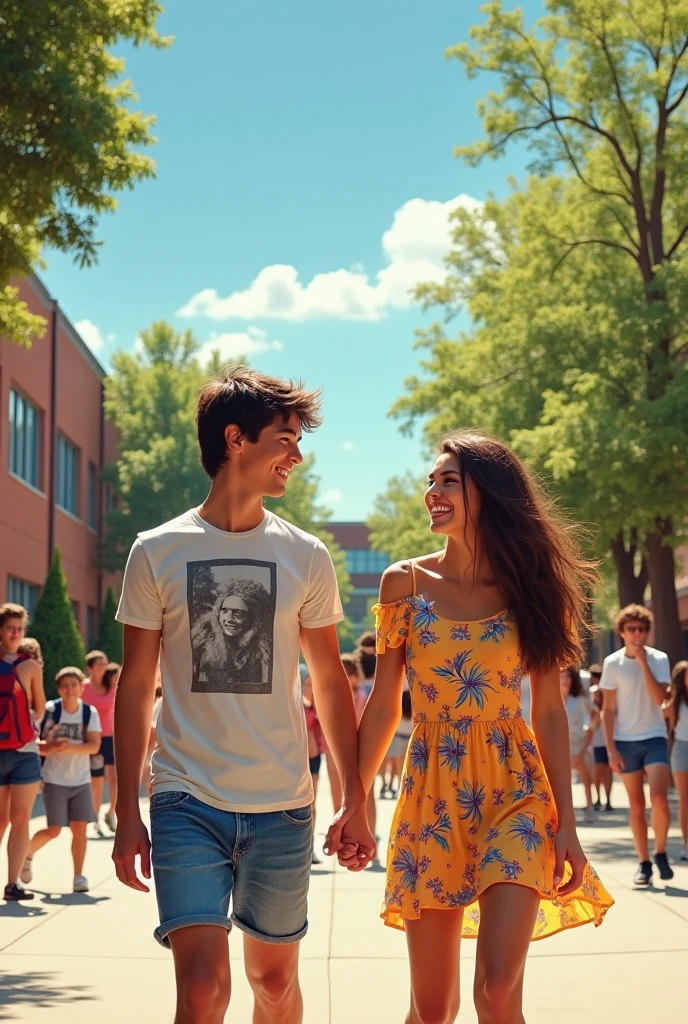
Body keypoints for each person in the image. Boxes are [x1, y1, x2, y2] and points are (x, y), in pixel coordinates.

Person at [112, 366, 373, 1024]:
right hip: (184, 799)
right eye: (285, 439)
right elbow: (137, 684)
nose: (297, 455)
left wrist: (355, 798)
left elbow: (329, 684)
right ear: (236, 439)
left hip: (281, 807)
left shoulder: (305, 555)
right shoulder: (156, 551)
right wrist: (126, 808)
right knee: (201, 989)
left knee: (275, 983)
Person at [354, 429, 613, 1024]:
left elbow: (547, 711)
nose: (432, 492)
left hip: (516, 795)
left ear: (488, 494)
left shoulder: (535, 589)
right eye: (431, 481)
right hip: (431, 794)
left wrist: (566, 825)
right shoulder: (405, 584)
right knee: (434, 1008)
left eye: (449, 480)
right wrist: (354, 800)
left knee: (497, 993)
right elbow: (386, 705)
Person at [601, 603, 673, 886]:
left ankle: (661, 852)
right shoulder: (612, 663)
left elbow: (660, 699)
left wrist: (643, 663)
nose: (637, 634)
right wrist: (610, 749)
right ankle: (644, 862)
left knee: (659, 798)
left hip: (654, 735)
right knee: (636, 804)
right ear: (622, 632)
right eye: (631, 629)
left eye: (641, 629)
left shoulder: (659, 659)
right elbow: (607, 709)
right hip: (624, 741)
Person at [21, 667, 102, 893]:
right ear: (58, 689)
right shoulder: (49, 711)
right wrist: (51, 746)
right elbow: (34, 745)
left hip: (81, 780)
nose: (69, 689)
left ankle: (79, 876)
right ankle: (26, 855)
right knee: (54, 829)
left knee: (79, 828)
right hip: (54, 779)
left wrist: (70, 748)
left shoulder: (89, 713)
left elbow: (94, 745)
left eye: (74, 685)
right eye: (65, 685)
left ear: (81, 687)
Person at [0, 603, 45, 901]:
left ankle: (12, 883)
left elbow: (39, 706)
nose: (16, 633)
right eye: (10, 628)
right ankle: (12, 884)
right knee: (9, 820)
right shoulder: (28, 667)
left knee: (16, 819)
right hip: (17, 750)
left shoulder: (29, 666)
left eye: (20, 629)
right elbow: (38, 709)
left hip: (22, 751)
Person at [83, 652, 118, 835]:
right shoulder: (83, 688)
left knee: (115, 780)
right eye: (98, 665)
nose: (102, 668)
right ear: (89, 668)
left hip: (110, 738)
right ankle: (94, 816)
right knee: (96, 781)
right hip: (92, 739)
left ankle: (110, 813)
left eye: (104, 664)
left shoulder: (111, 684)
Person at [560, 667, 596, 824]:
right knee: (563, 781)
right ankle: (566, 812)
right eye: (561, 677)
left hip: (579, 744)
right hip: (561, 744)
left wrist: (590, 730)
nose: (564, 680)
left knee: (585, 777)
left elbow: (596, 714)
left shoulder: (579, 699)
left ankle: (590, 807)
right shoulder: (554, 700)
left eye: (567, 677)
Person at [666, 661, 688, 861]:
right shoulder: (677, 700)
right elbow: (665, 713)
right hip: (681, 747)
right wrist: (674, 694)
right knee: (684, 799)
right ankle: (686, 843)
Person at [302, 673, 324, 864]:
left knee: (312, 803)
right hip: (297, 759)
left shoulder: (317, 707)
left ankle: (311, 847)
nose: (311, 686)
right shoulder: (296, 704)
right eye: (309, 683)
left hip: (314, 757)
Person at [588, 670, 613, 812]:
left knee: (608, 771)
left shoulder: (609, 692)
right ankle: (597, 798)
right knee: (598, 770)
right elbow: (590, 716)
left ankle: (608, 800)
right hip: (597, 740)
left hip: (609, 739)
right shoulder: (591, 695)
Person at [383, 689, 414, 801]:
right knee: (402, 767)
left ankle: (391, 786)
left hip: (397, 738)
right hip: (409, 738)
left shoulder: (399, 711)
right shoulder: (413, 712)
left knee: (395, 766)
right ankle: (399, 789)